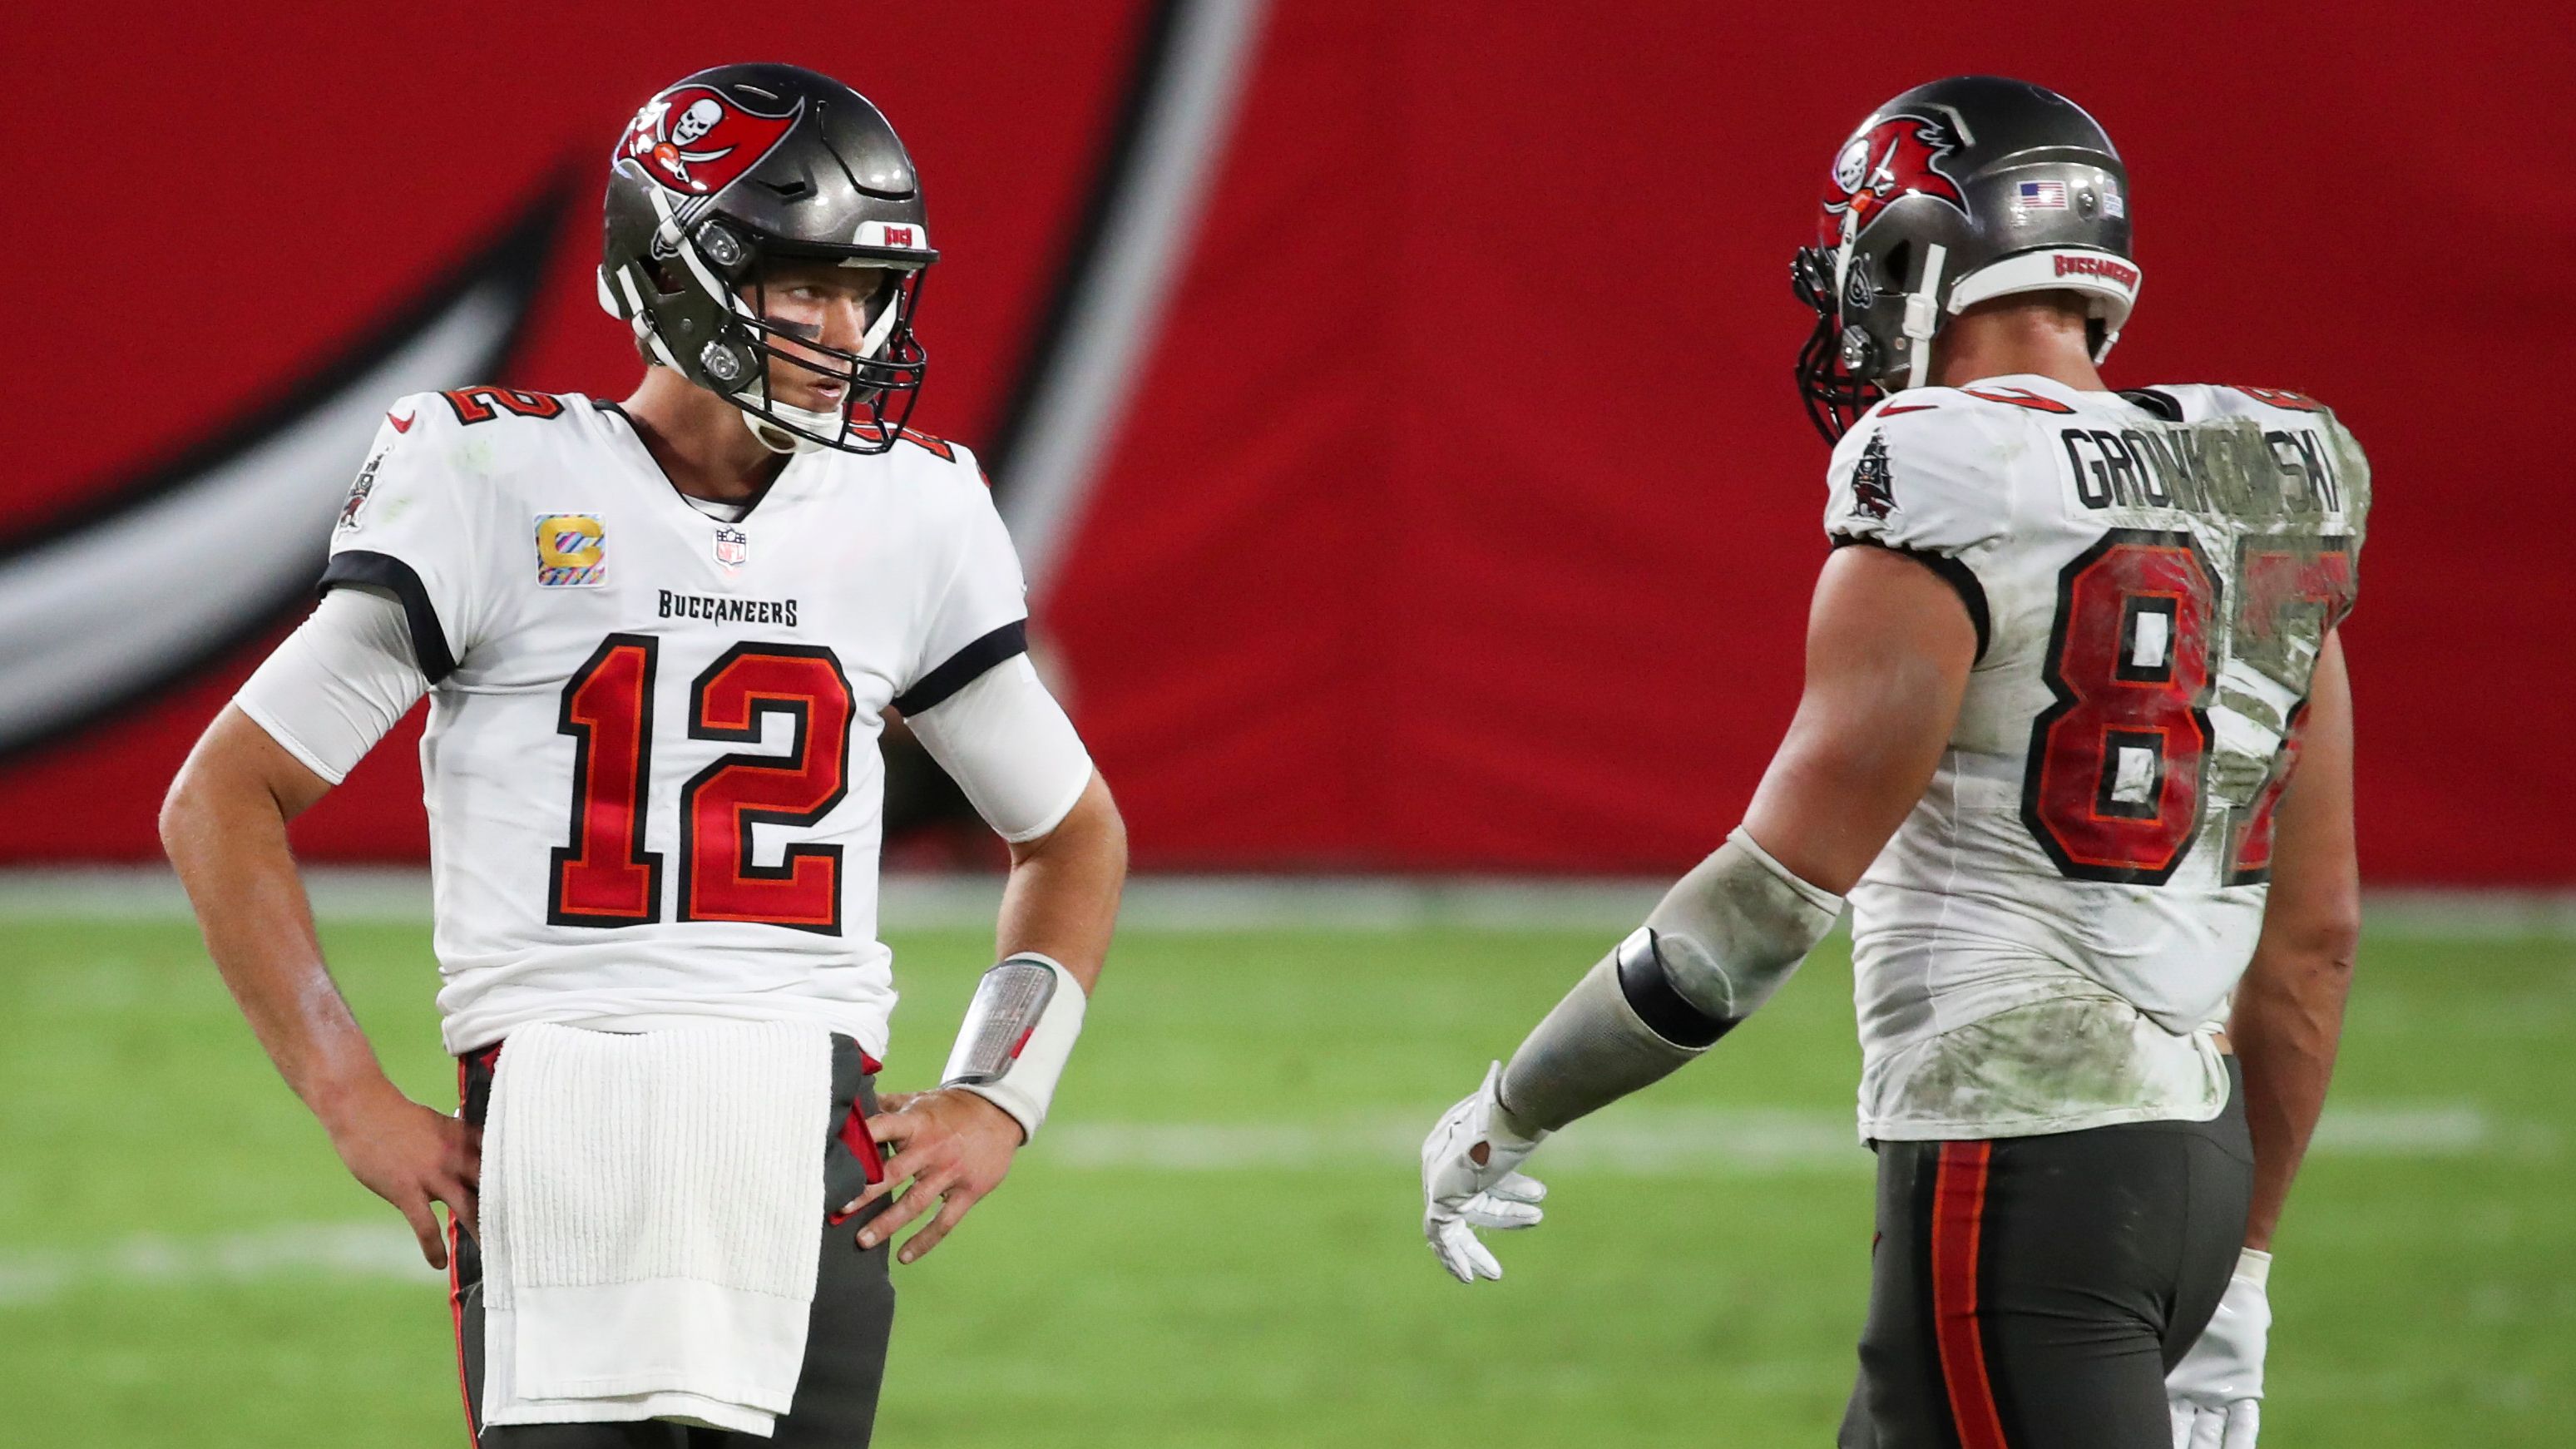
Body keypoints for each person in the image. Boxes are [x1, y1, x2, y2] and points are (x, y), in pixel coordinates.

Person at [159, 62, 1126, 1447]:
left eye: (865, 291)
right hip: (552, 1119)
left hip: (809, 1134)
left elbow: (1073, 831)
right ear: (677, 270)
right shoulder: (490, 477)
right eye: (805, 283)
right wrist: (351, 1098)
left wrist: (997, 1093)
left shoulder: (914, 511)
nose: (845, 328)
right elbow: (224, 797)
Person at [1418, 75, 2363, 1449]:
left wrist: (1513, 1104)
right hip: (2196, 1164)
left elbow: (1760, 908)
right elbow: (2313, 941)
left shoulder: (1941, 466)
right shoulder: (2277, 474)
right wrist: (2245, 1276)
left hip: (2016, 1156)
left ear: (1919, 258)